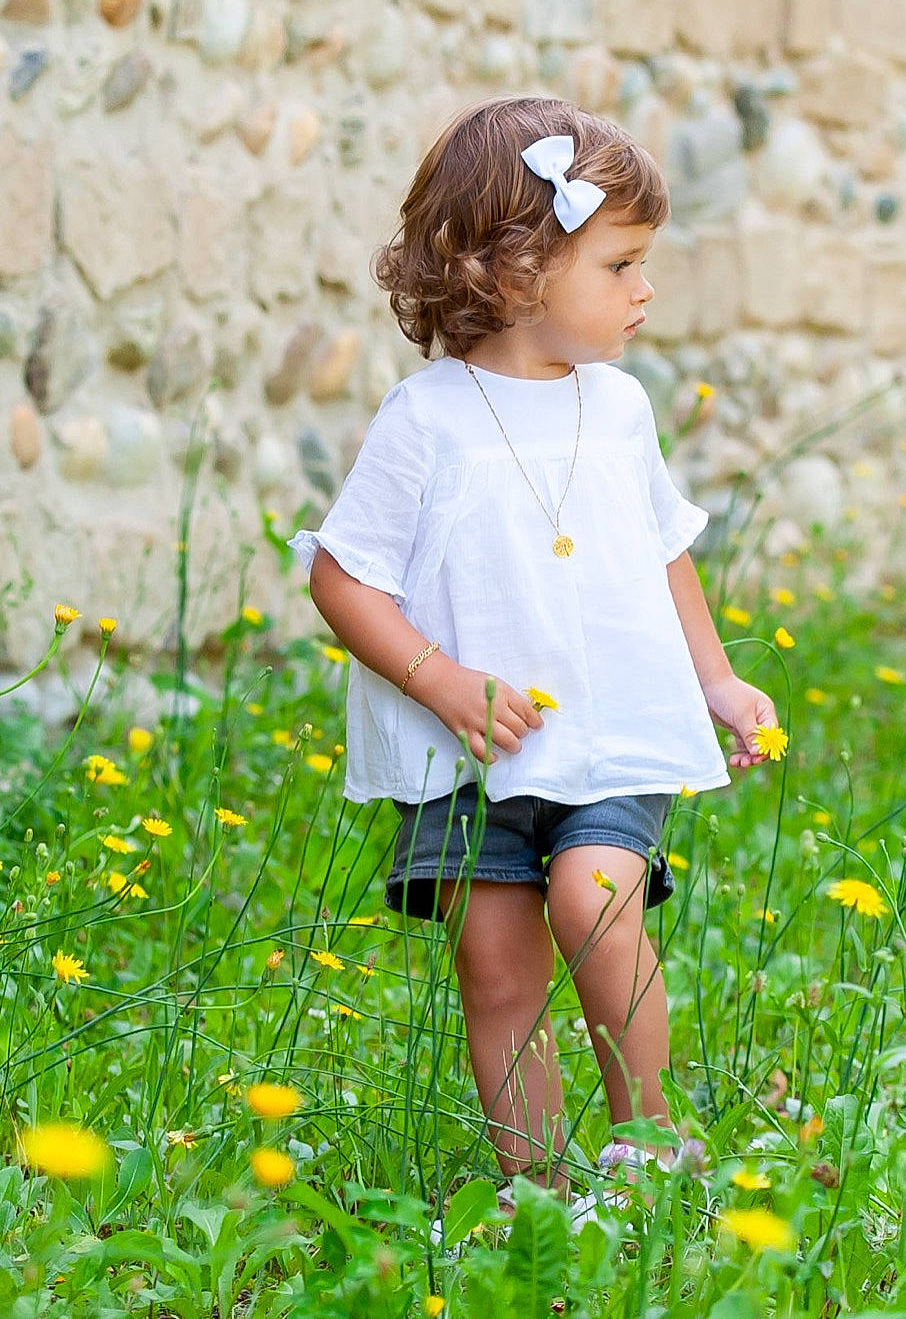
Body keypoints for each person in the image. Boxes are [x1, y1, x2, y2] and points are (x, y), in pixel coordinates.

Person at [287, 94, 780, 1207]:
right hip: (470, 755)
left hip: (605, 731)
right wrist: (440, 679)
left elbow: (663, 550)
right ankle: (541, 1192)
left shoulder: (620, 408)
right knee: (497, 971)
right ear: (516, 272)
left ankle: (650, 1144)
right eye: (620, 265)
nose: (644, 290)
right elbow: (342, 575)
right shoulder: (425, 420)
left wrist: (714, 679)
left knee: (594, 897)